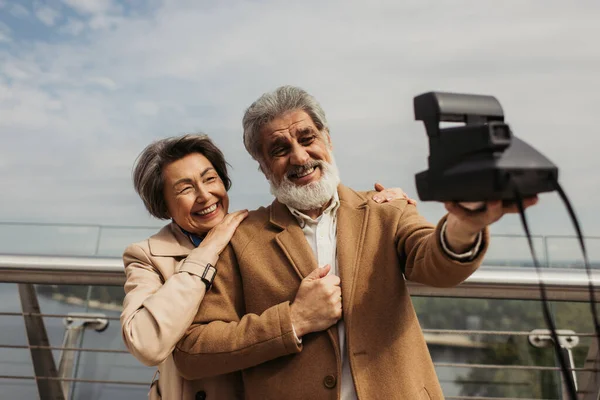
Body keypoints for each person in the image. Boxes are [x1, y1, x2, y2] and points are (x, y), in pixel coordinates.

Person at [173, 86, 539, 399]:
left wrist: (465, 223)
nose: (299, 157)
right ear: (263, 165)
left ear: (327, 139)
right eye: (279, 149)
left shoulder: (386, 210)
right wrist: (293, 322)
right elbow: (193, 352)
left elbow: (435, 262)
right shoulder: (239, 239)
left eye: (307, 138)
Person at [120, 134, 412, 400]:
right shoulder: (147, 256)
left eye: (210, 179)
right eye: (185, 188)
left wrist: (383, 207)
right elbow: (146, 344)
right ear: (164, 205)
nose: (204, 195)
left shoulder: (252, 234)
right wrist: (206, 253)